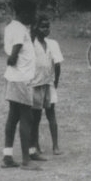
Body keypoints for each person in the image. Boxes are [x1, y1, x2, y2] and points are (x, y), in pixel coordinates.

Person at [2, 0, 40, 169]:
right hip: (21, 78)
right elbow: (14, 53)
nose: (34, 16)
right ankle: (26, 160)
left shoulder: (13, 26)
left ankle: (8, 156)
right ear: (24, 12)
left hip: (14, 78)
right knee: (27, 117)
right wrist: (12, 59)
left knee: (13, 117)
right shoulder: (19, 29)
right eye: (33, 13)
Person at [31, 15, 63, 155]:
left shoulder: (53, 44)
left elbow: (57, 65)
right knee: (36, 116)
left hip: (49, 83)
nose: (46, 29)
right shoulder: (31, 44)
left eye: (47, 26)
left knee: (51, 114)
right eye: (42, 26)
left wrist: (55, 83)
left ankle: (55, 146)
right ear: (36, 28)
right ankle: (36, 145)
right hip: (35, 84)